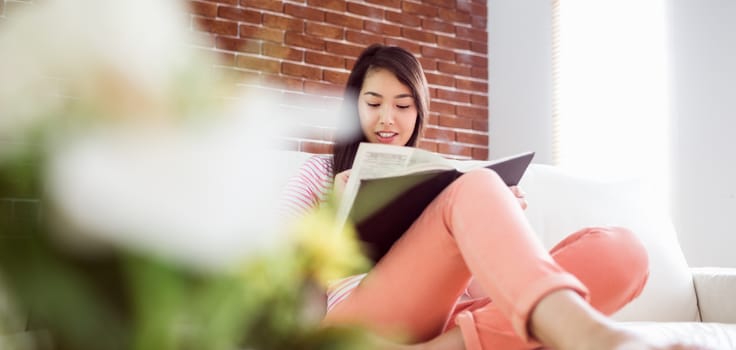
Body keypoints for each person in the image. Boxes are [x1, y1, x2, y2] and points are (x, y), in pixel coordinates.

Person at [281, 44, 699, 350]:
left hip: (450, 321)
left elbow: (480, 289)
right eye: (373, 103)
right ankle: (583, 334)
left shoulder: (441, 179)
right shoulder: (320, 173)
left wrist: (495, 220)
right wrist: (333, 226)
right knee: (477, 184)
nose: (388, 118)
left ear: (418, 111)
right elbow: (275, 280)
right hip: (360, 322)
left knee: (625, 253)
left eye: (403, 105)